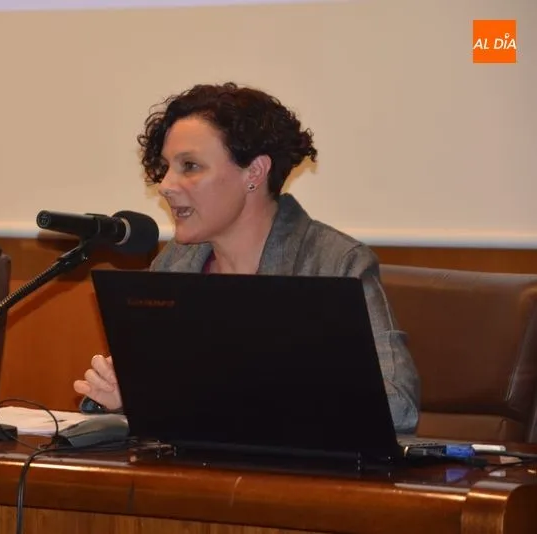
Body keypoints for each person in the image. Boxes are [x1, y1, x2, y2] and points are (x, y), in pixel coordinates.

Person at [73, 82, 421, 433]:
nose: (165, 185)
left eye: (190, 166)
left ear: (254, 173)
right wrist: (125, 393)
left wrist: (222, 392)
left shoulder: (336, 263)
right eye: (165, 167)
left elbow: (398, 406)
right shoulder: (175, 263)